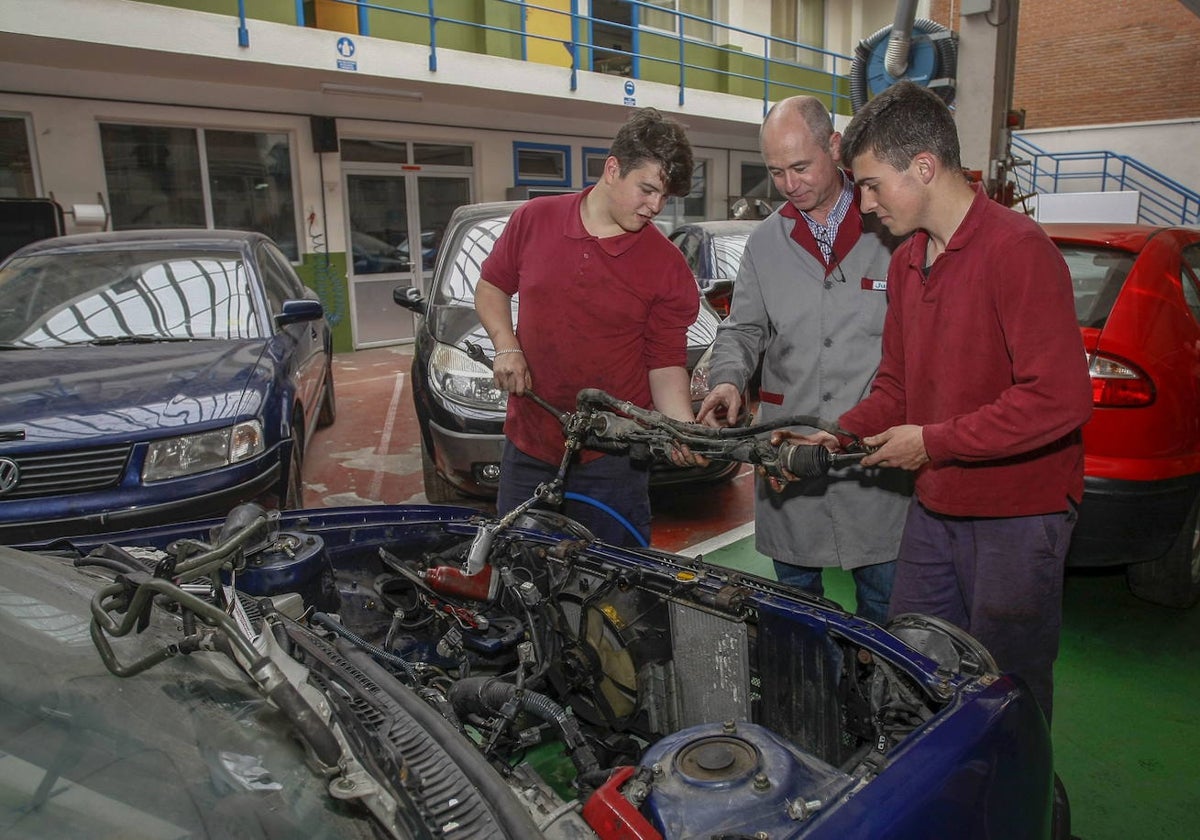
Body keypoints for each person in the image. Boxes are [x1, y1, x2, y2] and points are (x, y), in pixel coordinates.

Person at [804, 80, 1093, 724]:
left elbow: (1059, 399)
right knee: (918, 667)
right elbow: (896, 389)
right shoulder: (909, 263)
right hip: (937, 508)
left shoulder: (1017, 252)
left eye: (874, 185)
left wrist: (932, 442)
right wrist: (839, 436)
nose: (867, 205)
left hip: (1019, 519)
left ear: (926, 167)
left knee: (1007, 691)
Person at [696, 95, 911, 625]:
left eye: (800, 166)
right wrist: (727, 380)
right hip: (787, 451)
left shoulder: (893, 230)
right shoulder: (765, 243)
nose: (790, 185)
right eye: (775, 173)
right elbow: (743, 327)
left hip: (871, 455)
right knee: (797, 612)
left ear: (834, 146)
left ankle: (879, 705)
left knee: (885, 608)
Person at [474, 107, 702, 547]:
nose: (655, 206)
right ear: (613, 169)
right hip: (528, 445)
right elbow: (490, 288)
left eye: (665, 197)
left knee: (613, 590)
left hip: (613, 461)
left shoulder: (666, 267)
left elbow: (665, 363)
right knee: (519, 574)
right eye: (648, 189)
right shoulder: (534, 219)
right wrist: (506, 345)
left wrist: (682, 429)